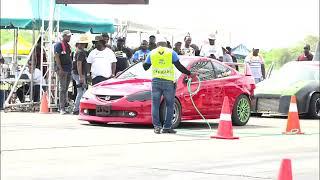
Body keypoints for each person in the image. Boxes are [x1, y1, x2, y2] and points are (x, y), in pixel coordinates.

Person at [143, 35, 193, 134]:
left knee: (155, 105)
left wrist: (143, 62)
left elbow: (145, 67)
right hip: (168, 82)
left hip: (156, 81)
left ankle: (157, 127)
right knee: (170, 105)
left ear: (157, 44)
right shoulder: (171, 52)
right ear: (166, 44)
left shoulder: (152, 53)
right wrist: (189, 73)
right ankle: (167, 127)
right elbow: (179, 66)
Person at [54, 30, 73, 115]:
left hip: (68, 69)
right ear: (64, 36)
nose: (69, 37)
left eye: (70, 36)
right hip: (62, 69)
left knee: (65, 89)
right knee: (62, 89)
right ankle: (61, 108)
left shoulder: (68, 46)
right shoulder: (59, 45)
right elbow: (56, 57)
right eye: (68, 36)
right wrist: (60, 68)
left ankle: (63, 106)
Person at [72, 34, 90, 115]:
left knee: (82, 91)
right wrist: (81, 76)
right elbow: (79, 64)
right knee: (81, 91)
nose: (84, 45)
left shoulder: (77, 51)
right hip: (79, 74)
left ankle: (77, 108)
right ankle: (77, 108)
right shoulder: (80, 53)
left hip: (78, 73)